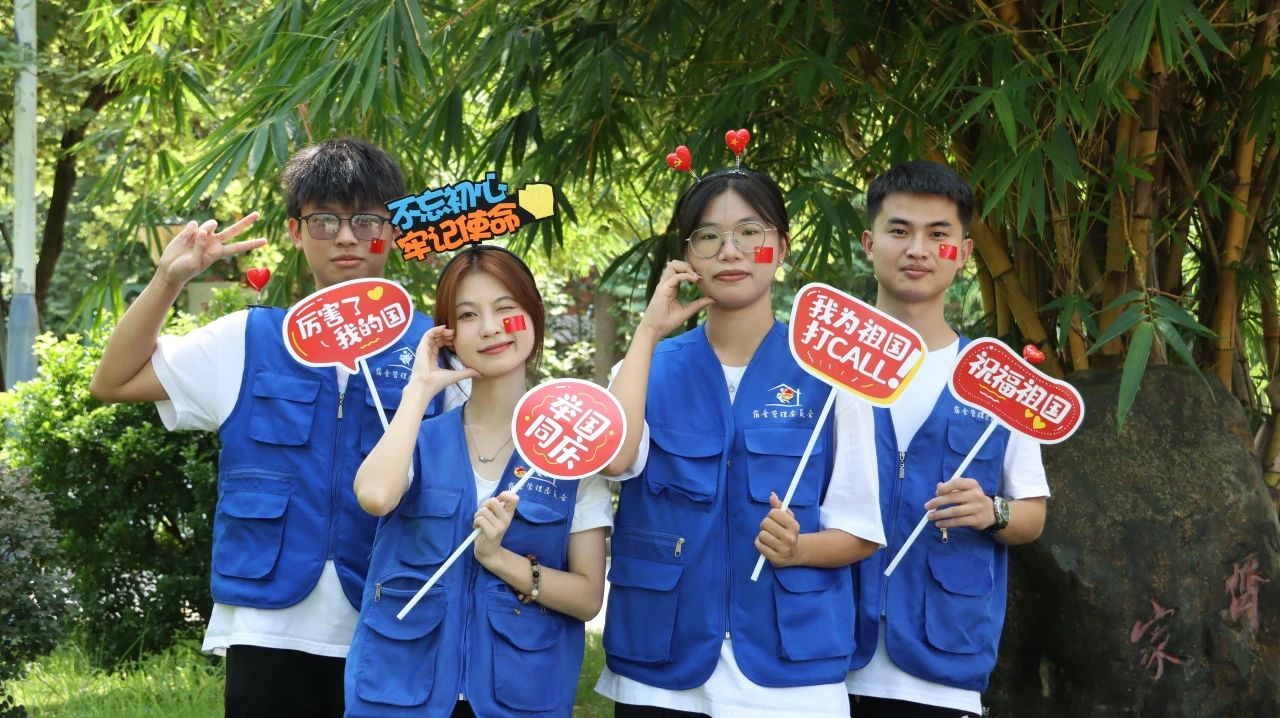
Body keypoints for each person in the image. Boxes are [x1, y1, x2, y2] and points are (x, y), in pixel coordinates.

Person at [88, 138, 451, 717]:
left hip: (396, 613)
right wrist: (168, 280)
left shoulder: (435, 349)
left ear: (395, 230)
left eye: (367, 220)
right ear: (295, 232)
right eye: (325, 220)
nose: (347, 237)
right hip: (266, 625)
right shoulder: (247, 338)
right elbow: (114, 381)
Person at [595, 166, 885, 718]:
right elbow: (614, 460)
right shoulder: (645, 368)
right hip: (659, 666)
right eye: (708, 236)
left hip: (791, 671)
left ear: (782, 248)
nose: (730, 251)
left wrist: (799, 549)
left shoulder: (831, 378)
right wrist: (647, 333)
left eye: (750, 232)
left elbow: (861, 529)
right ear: (687, 256)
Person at [344, 244, 613, 717]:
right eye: (468, 315)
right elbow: (375, 495)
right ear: (447, 334)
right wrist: (419, 389)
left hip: (518, 697)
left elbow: (588, 597)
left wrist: (500, 560)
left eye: (505, 308)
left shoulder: (571, 453)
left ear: (533, 316)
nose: (489, 328)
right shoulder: (417, 438)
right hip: (401, 694)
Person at [845, 160, 1050, 718]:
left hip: (943, 668)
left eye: (938, 234)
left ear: (963, 253)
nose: (918, 250)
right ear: (870, 243)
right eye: (899, 230)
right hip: (823, 657)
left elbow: (1031, 515)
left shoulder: (998, 381)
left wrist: (991, 510)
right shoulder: (829, 365)